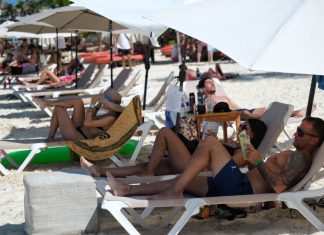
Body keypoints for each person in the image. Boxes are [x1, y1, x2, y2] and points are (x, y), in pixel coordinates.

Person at [106, 117, 324, 198]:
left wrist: (257, 161)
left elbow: (277, 189)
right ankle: (127, 189)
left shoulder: (301, 161)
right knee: (182, 179)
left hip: (241, 190)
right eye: (297, 130)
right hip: (236, 184)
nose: (296, 134)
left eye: (301, 133)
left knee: (209, 141)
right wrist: (247, 148)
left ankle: (174, 191)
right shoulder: (294, 155)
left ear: (314, 140)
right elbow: (255, 162)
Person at [80, 119, 267, 177]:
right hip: (191, 160)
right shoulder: (234, 143)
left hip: (194, 168)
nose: (240, 128)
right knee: (146, 164)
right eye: (241, 125)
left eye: (245, 128)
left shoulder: (245, 152)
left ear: (252, 135)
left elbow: (226, 170)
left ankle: (149, 175)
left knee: (164, 132)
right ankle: (100, 170)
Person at [198, 77, 316, 120]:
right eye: (209, 83)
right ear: (203, 87)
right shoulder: (205, 101)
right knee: (246, 113)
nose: (212, 84)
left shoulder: (223, 96)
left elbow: (237, 106)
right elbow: (210, 114)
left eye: (213, 82)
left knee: (265, 109)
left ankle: (296, 112)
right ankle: (276, 117)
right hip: (231, 115)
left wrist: (245, 110)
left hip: (241, 112)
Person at [33, 89, 124, 141]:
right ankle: (48, 103)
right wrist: (98, 104)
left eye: (104, 100)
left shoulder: (110, 119)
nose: (102, 101)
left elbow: (87, 123)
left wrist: (92, 104)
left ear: (110, 104)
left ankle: (50, 137)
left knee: (59, 109)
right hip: (80, 129)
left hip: (77, 136)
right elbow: (92, 118)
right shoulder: (110, 114)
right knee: (78, 101)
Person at [18, 58, 85, 88]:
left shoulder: (78, 75)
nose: (70, 61)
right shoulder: (72, 71)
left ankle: (35, 84)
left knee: (47, 71)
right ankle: (29, 82)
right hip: (60, 80)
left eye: (72, 61)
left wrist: (60, 83)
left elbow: (69, 82)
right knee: (45, 80)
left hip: (60, 82)